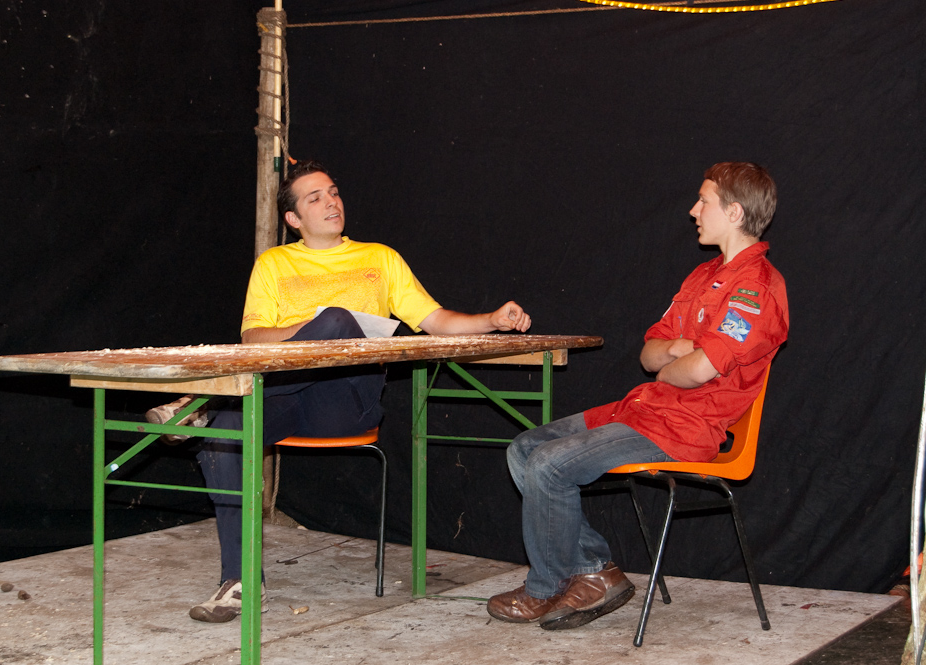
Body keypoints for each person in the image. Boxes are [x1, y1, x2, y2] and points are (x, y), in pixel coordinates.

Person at [164, 160, 531, 623]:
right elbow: (253, 340)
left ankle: (202, 403)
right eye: (315, 198)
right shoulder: (273, 264)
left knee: (338, 319)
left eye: (333, 192)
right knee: (223, 435)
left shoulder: (379, 258)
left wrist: (491, 320)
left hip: (346, 400)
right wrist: (312, 329)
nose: (331, 202)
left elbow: (436, 322)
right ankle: (240, 582)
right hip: (285, 396)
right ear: (293, 218)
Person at [487, 162, 788, 631]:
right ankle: (594, 570)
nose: (693, 211)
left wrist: (676, 363)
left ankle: (544, 589)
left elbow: (701, 370)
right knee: (525, 448)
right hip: (644, 410)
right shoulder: (701, 276)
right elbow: (649, 355)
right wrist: (676, 356)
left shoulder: (758, 288)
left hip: (686, 428)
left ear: (734, 212)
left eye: (703, 201)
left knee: (550, 465)